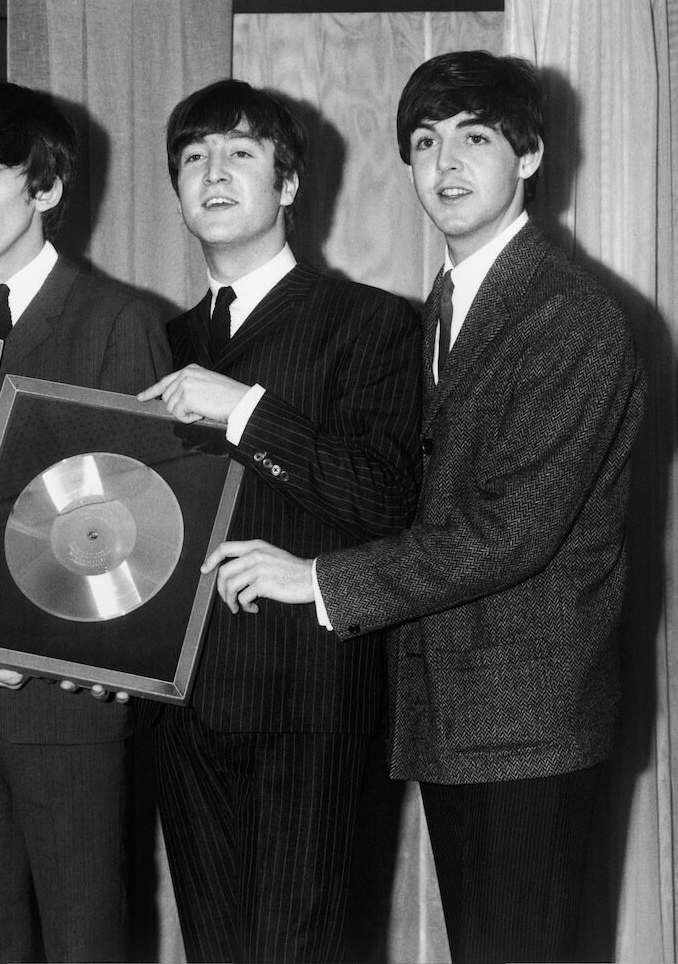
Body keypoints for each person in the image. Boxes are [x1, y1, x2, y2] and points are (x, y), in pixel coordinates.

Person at [203, 52, 645, 964]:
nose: (444, 163)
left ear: (528, 157)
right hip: (457, 712)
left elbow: (510, 530)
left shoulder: (570, 315)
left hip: (529, 720)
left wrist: (316, 577)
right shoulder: (448, 302)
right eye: (424, 140)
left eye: (474, 138)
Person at [137, 79, 421, 963]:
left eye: (240, 153)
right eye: (193, 158)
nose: (212, 173)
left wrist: (246, 411)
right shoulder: (158, 338)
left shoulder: (371, 322)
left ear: (290, 185)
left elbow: (387, 496)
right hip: (182, 701)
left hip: (310, 693)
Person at [0, 81, 170, 963]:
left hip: (63, 703)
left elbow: (139, 524)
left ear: (46, 189)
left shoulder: (118, 323)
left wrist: (24, 646)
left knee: (86, 940)